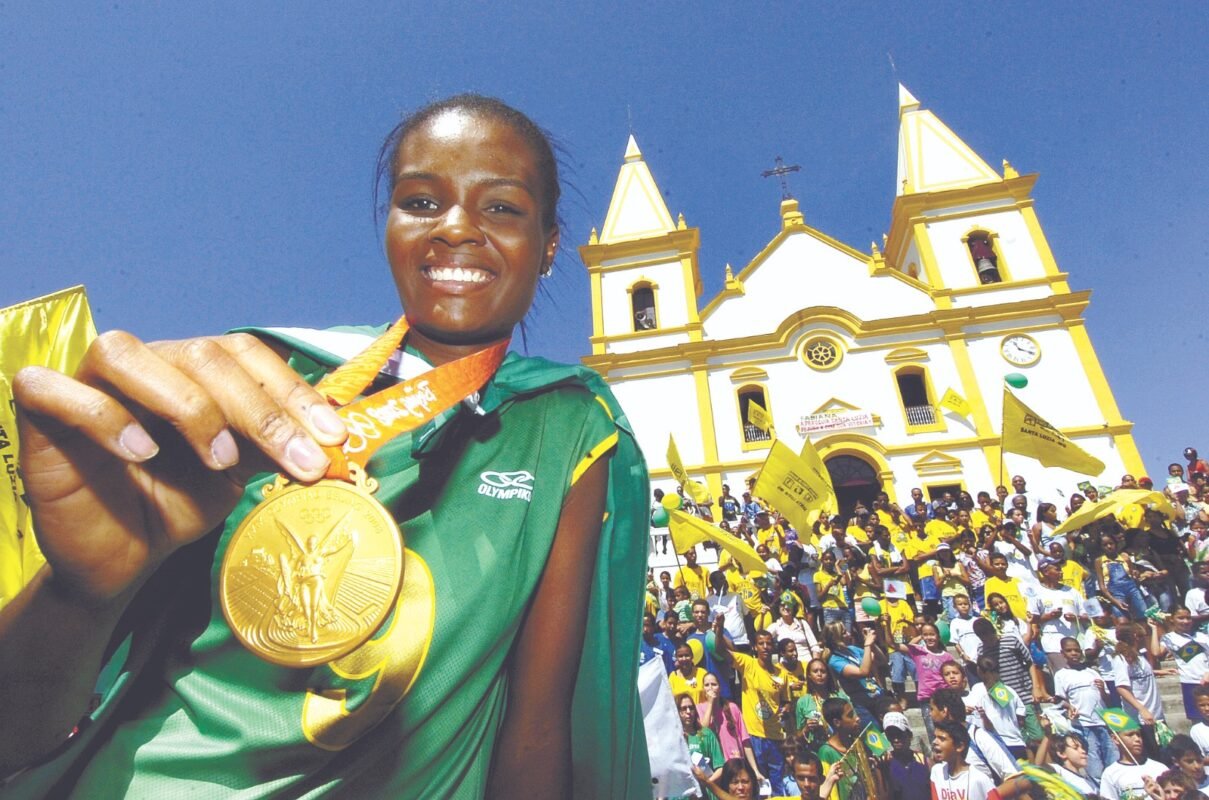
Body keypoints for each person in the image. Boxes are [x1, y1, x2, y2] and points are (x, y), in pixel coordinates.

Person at [0, 95, 650, 798]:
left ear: (550, 244)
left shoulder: (568, 426)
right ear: (391, 227)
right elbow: (17, 736)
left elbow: (537, 729)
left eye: (501, 208)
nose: (456, 228)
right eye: (421, 201)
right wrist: (79, 594)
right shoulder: (256, 382)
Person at [711, 617, 792, 795]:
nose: (765, 647)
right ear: (755, 647)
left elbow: (786, 701)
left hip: (776, 736)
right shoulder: (748, 664)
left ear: (773, 647)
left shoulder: (782, 674)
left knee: (777, 786)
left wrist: (786, 708)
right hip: (754, 736)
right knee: (756, 786)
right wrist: (720, 629)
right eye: (761, 643)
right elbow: (720, 650)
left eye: (768, 643)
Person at [1052, 636, 1115, 783]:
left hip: (1102, 722)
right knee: (1094, 765)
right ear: (1063, 653)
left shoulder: (1092, 672)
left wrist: (1102, 691)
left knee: (1112, 759)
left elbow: (1108, 699)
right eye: (1069, 651)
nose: (1073, 653)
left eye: (1076, 650)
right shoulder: (1061, 675)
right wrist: (1069, 707)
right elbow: (1059, 700)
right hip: (1083, 725)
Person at [698, 673, 764, 786]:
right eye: (707, 685)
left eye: (713, 684)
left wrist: (755, 770)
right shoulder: (699, 708)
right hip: (715, 766)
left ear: (720, 687)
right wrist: (710, 704)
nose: (710, 688)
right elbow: (703, 732)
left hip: (734, 762)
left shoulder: (732, 707)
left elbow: (745, 741)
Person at [1096, 712, 1168, 800]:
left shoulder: (1160, 768)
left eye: (1139, 735)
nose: (1137, 739)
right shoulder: (1110, 773)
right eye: (1130, 735)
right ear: (1115, 739)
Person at [929, 721, 995, 800]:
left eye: (942, 739)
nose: (935, 742)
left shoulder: (979, 780)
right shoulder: (937, 772)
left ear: (959, 746)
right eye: (935, 737)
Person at [676, 692, 725, 797]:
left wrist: (706, 781)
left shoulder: (706, 734)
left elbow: (720, 767)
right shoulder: (673, 738)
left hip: (707, 792)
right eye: (684, 709)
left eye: (691, 708)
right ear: (677, 712)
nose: (688, 712)